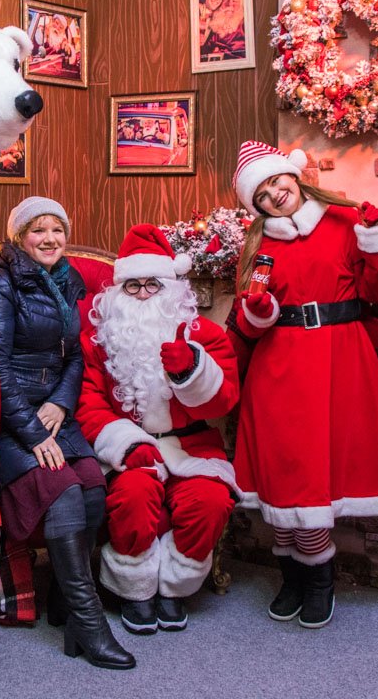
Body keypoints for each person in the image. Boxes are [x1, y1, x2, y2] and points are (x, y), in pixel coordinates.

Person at [228, 141, 378, 630]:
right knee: (284, 472)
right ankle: (292, 575)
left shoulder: (342, 222)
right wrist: (258, 313)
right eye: (263, 195)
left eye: (278, 182)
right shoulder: (259, 246)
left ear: (295, 178)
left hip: (341, 358)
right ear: (255, 206)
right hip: (280, 366)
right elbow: (249, 323)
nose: (276, 195)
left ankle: (319, 580)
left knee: (325, 470)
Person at [0, 197, 135, 670]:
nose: (49, 239)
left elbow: (74, 357)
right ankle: (90, 625)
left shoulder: (68, 279)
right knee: (65, 494)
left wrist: (61, 403)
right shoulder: (0, 283)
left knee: (92, 489)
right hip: (10, 420)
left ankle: (65, 607)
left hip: (52, 412)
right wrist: (32, 433)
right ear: (19, 236)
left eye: (57, 229)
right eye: (37, 230)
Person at [77, 224, 242, 635]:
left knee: (208, 502)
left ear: (170, 288)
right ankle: (135, 590)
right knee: (133, 495)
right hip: (128, 447)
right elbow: (88, 401)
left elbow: (226, 400)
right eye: (133, 287)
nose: (144, 294)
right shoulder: (100, 338)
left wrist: (191, 370)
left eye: (153, 284)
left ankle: (174, 587)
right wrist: (126, 445)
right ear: (118, 292)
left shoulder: (203, 335)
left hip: (192, 447)